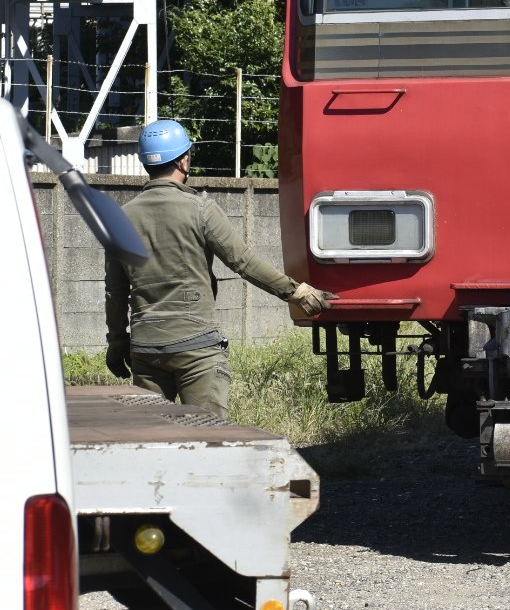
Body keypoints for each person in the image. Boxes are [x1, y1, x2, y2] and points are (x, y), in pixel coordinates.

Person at [104, 119, 336, 419]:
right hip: (196, 349)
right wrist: (297, 292)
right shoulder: (200, 209)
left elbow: (115, 291)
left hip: (146, 349)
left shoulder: (120, 219)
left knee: (153, 442)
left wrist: (117, 342)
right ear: (184, 159)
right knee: (209, 440)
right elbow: (243, 261)